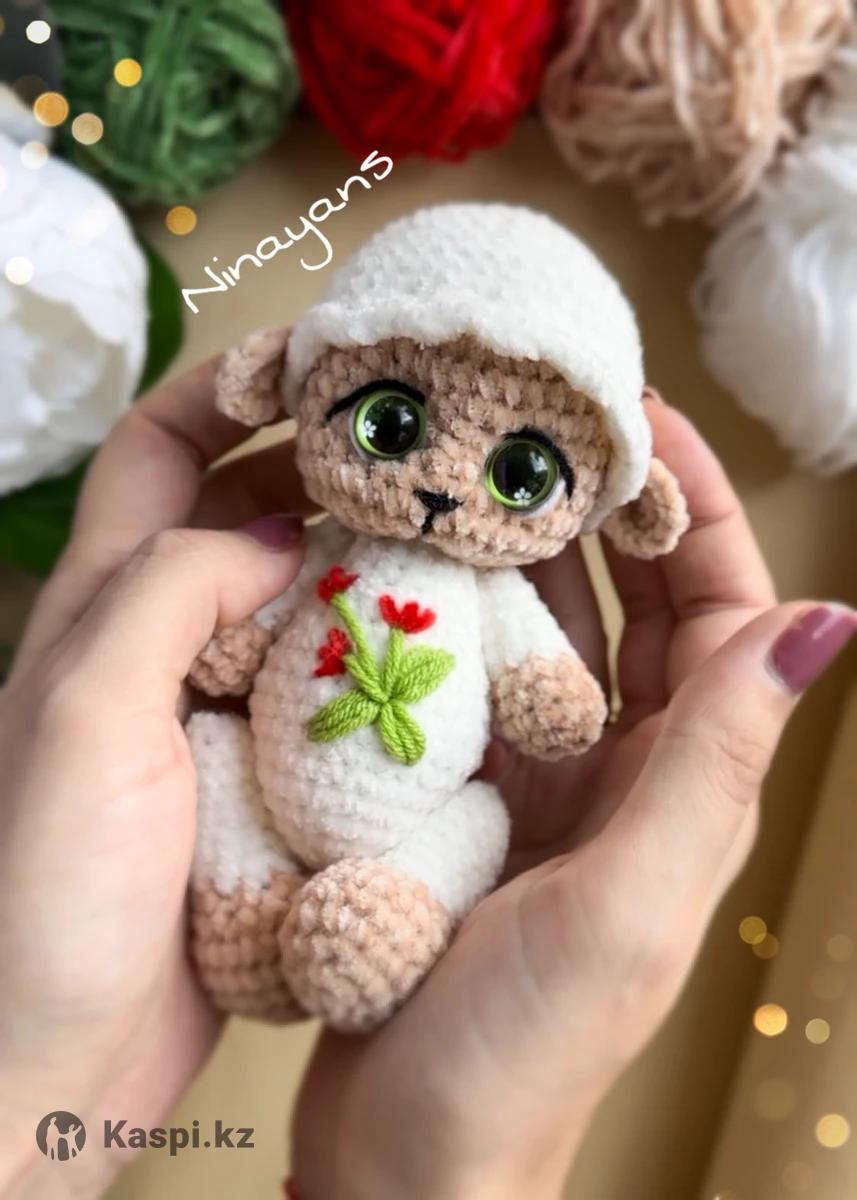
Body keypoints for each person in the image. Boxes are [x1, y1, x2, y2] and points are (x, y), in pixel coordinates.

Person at [0, 358, 853, 1200]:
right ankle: (251, 903)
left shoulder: (490, 595)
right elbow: (236, 644)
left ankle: (386, 918)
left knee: (479, 817)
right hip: (266, 801)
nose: (441, 483)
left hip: (413, 830)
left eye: (519, 474)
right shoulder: (322, 551)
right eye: (392, 426)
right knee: (213, 746)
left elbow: (544, 688)